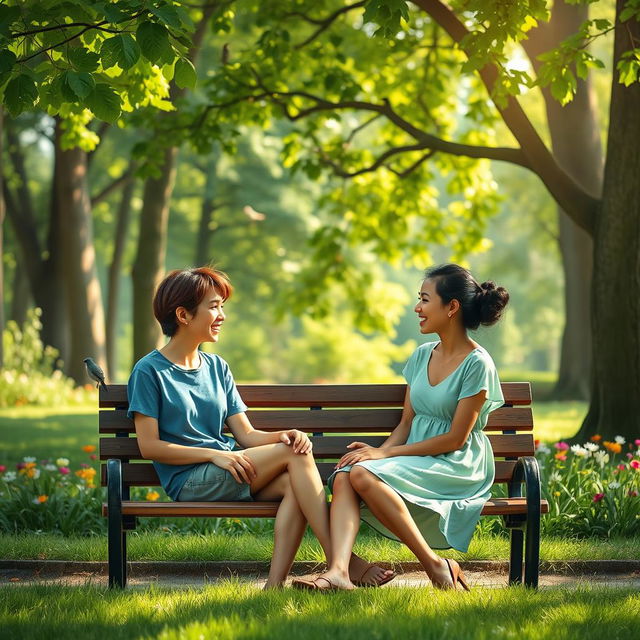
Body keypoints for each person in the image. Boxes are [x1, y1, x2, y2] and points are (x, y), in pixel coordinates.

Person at [127, 266, 394, 589]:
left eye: (222, 306)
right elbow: (150, 446)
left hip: (231, 469)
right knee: (295, 459)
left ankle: (274, 586)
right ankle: (345, 563)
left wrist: (283, 436)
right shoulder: (149, 371)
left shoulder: (216, 367)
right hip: (189, 480)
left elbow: (246, 435)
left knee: (294, 481)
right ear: (183, 314)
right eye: (213, 306)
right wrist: (214, 455)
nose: (222, 314)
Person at [293, 264, 509, 591]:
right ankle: (338, 572)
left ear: (452, 307)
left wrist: (384, 453)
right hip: (417, 457)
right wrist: (379, 453)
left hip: (456, 464)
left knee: (363, 472)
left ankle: (435, 566)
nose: (417, 308)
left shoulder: (477, 364)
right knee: (347, 474)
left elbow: (454, 439)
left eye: (425, 299)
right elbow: (407, 423)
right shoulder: (422, 355)